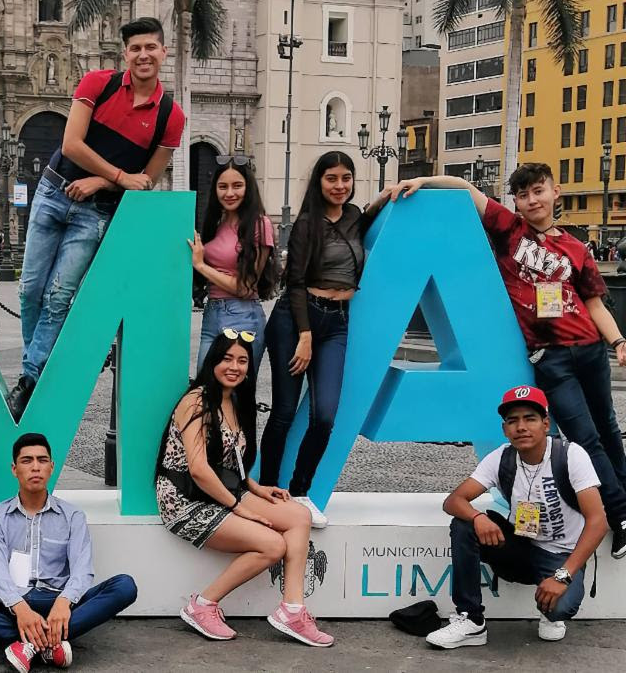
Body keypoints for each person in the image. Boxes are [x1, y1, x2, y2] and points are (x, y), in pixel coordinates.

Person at [390, 165, 626, 559]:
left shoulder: (577, 248)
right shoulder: (510, 230)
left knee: (608, 430)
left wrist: (617, 340)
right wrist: (424, 181)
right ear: (515, 201)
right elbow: (465, 188)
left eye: (538, 191)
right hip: (550, 357)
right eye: (523, 195)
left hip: (589, 349)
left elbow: (593, 304)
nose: (532, 200)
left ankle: (622, 504)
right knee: (585, 439)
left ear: (555, 192)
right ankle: (619, 516)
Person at [7, 16, 186, 420]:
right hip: (53, 192)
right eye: (135, 48)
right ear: (125, 54)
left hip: (97, 211)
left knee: (58, 296)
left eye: (150, 47)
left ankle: (28, 381)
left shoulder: (170, 116)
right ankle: (33, 377)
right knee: (30, 290)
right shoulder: (97, 84)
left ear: (163, 51)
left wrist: (100, 182)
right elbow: (71, 144)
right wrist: (118, 176)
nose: (143, 55)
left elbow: (147, 180)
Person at [157, 330, 333, 647]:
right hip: (186, 500)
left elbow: (230, 460)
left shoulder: (237, 401)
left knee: (299, 516)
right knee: (273, 545)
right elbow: (199, 470)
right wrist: (240, 508)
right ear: (213, 361)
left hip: (222, 492)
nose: (234, 367)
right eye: (227, 359)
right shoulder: (196, 401)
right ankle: (202, 605)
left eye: (242, 361)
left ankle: (292, 610)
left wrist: (257, 488)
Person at [0, 432, 138, 672]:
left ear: (51, 467)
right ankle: (49, 642)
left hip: (58, 602)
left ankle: (26, 643)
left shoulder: (72, 516)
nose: (35, 467)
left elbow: (82, 569)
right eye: (27, 461)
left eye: (42, 460)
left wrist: (64, 602)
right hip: (11, 603)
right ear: (14, 469)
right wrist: (19, 608)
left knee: (124, 586)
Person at [259, 151, 389, 528]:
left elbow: (369, 215)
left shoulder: (354, 217)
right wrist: (304, 335)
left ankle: (300, 493)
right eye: (331, 178)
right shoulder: (306, 224)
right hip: (296, 319)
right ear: (319, 181)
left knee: (325, 416)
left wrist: (386, 195)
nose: (339, 185)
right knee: (284, 412)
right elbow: (295, 282)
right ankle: (267, 492)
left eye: (346, 178)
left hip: (337, 322)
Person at [425, 386, 607, 648]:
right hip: (520, 546)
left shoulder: (570, 455)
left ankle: (550, 613)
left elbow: (598, 521)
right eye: (513, 421)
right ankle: (471, 621)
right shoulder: (502, 457)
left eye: (530, 419)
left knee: (560, 608)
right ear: (504, 429)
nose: (521, 427)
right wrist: (478, 517)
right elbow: (453, 501)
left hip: (561, 556)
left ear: (546, 424)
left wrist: (563, 576)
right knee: (463, 524)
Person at [188, 156, 277, 452]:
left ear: (248, 187)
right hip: (212, 314)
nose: (230, 193)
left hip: (242, 317)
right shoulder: (215, 222)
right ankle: (209, 461)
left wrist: (202, 266)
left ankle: (240, 465)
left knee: (236, 396)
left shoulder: (260, 225)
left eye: (237, 185)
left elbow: (246, 286)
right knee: (204, 392)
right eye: (223, 186)